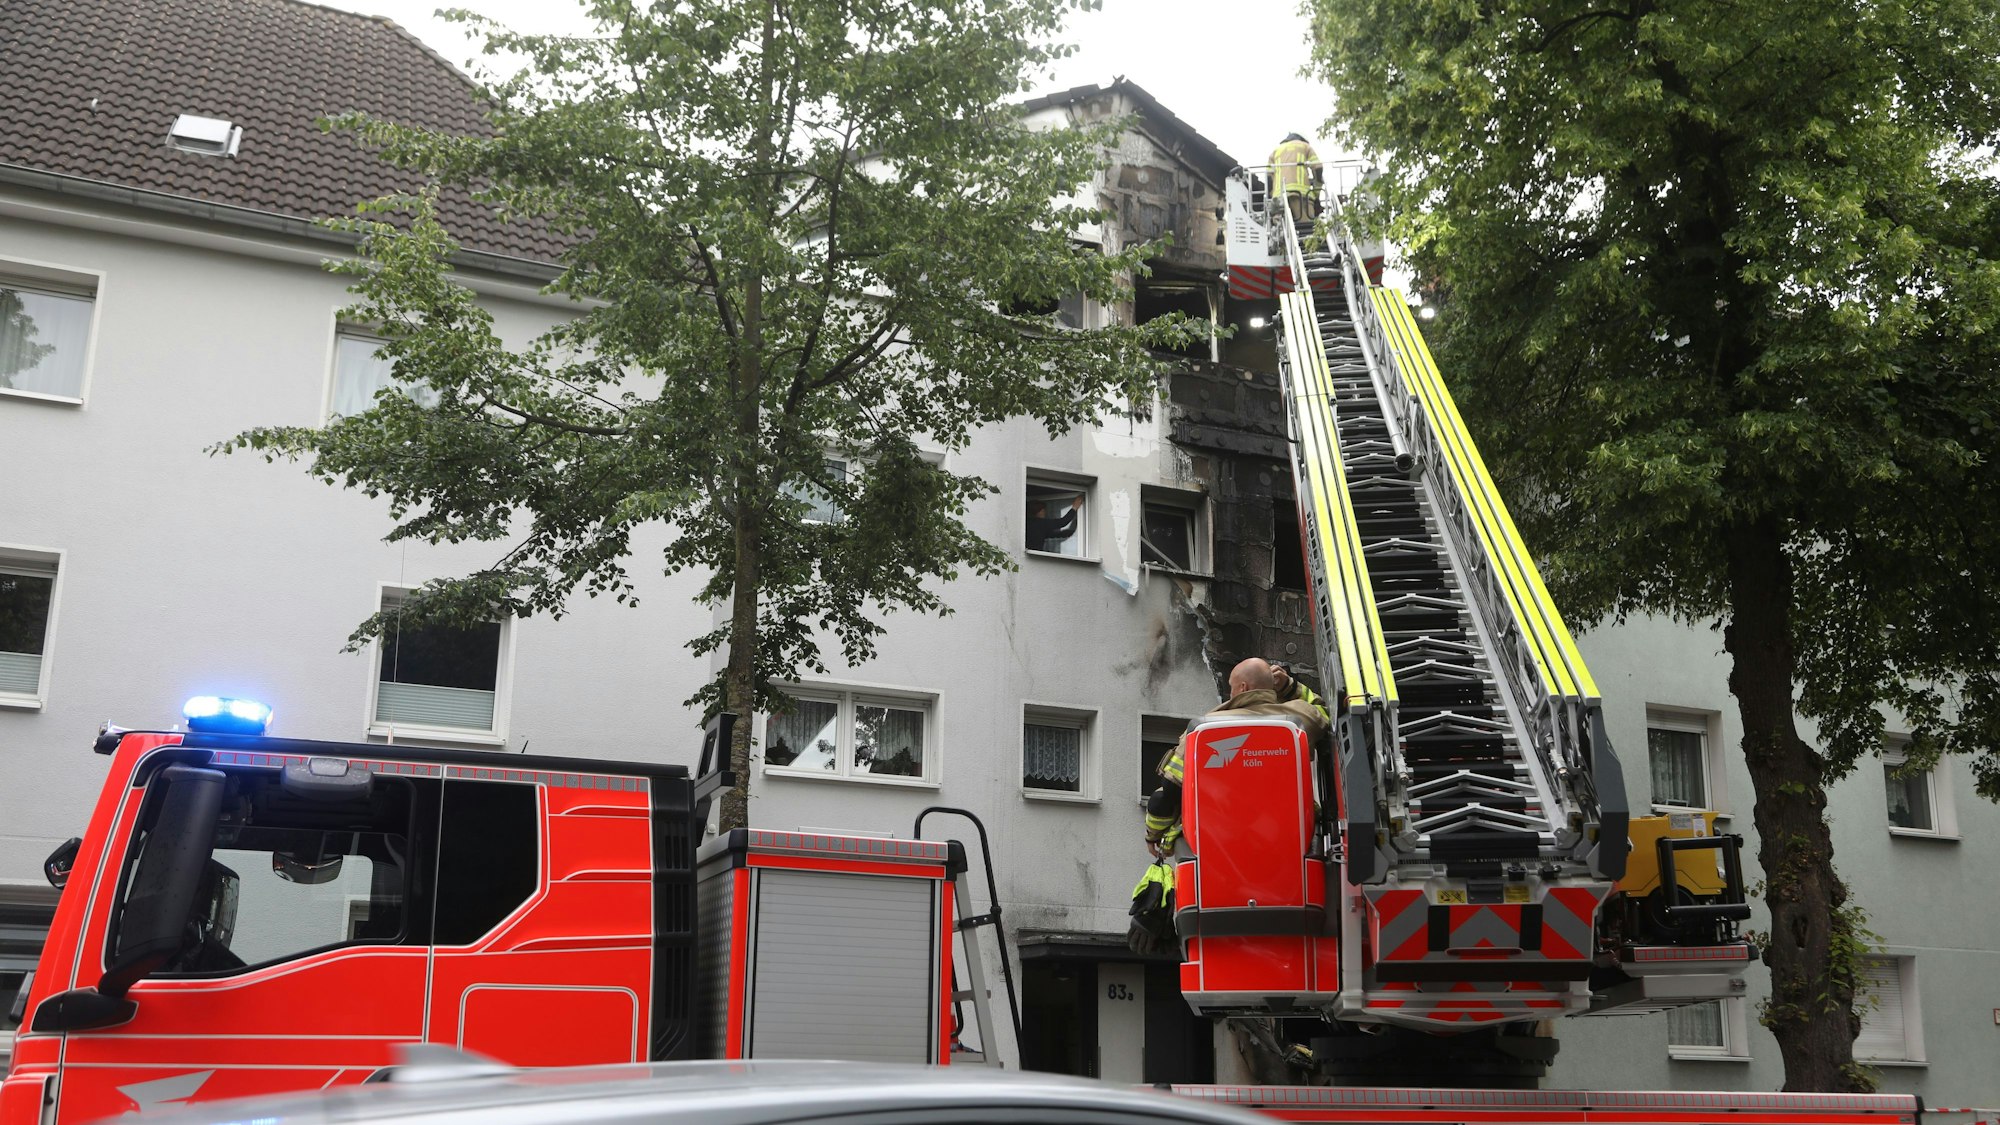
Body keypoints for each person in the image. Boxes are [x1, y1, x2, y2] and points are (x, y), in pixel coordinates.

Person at [1143, 657, 1330, 857]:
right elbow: (1322, 712)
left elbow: (1169, 792)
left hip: (1218, 848)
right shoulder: (1299, 719)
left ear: (1242, 687)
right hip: (1291, 845)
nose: (1229, 694)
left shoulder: (1205, 730)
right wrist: (1288, 686)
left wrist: (1153, 835)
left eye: (1231, 688)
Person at [1268, 133, 1323, 225]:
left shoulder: (1275, 151)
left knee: (1282, 228)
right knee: (1306, 228)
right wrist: (1316, 193)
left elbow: (1268, 176)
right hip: (1301, 196)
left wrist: (1272, 195)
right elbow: (1318, 168)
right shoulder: (1305, 146)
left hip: (1279, 197)